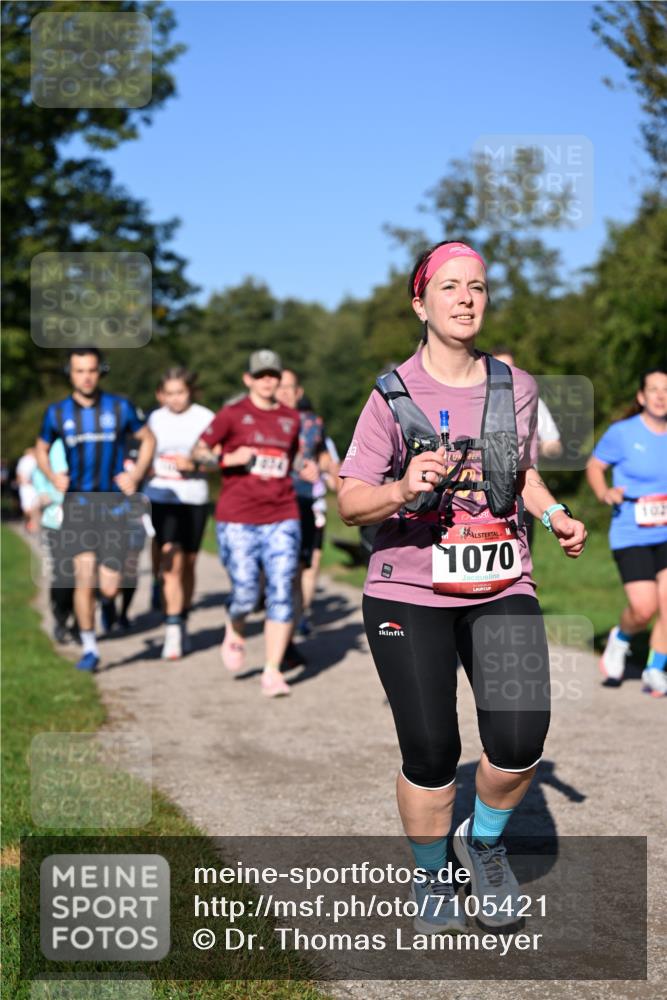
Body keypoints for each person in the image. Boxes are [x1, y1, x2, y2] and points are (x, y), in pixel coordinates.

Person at [338, 241, 586, 935]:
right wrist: (401, 486)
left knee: (517, 738)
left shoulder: (515, 385)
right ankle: (428, 871)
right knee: (430, 750)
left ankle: (481, 844)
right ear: (420, 302)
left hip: (502, 580)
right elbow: (351, 503)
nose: (466, 298)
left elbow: (522, 472)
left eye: (476, 285)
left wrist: (554, 513)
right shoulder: (391, 393)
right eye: (449, 287)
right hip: (406, 590)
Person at [35, 348, 155, 672]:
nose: (86, 376)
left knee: (110, 587)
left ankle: (107, 606)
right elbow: (41, 448)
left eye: (91, 370)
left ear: (100, 371)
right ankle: (90, 648)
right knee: (83, 579)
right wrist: (52, 475)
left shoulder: (120, 407)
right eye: (79, 370)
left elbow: (148, 439)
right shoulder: (57, 413)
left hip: (113, 505)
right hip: (78, 505)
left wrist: (136, 474)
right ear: (70, 373)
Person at [193, 349, 303, 697]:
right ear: (248, 379)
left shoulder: (291, 418)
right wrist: (227, 457)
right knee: (244, 592)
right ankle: (236, 624)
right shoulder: (231, 415)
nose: (267, 380)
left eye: (273, 374)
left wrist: (308, 468)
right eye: (260, 375)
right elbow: (197, 454)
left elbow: (293, 459)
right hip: (238, 517)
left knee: (282, 590)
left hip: (282, 514)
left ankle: (271, 671)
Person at [587, 368, 667, 697]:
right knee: (644, 608)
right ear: (641, 397)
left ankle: (654, 668)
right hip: (631, 532)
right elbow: (595, 466)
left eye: (666, 389)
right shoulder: (622, 433)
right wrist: (604, 493)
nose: (661, 395)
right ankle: (621, 639)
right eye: (654, 390)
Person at [144, 367, 216, 660]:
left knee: (189, 563)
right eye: (170, 393)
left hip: (194, 497)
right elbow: (142, 452)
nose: (175, 399)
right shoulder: (154, 419)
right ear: (161, 394)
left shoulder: (205, 417)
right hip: (160, 495)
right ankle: (172, 629)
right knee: (171, 560)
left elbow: (216, 460)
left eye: (181, 393)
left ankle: (182, 618)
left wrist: (197, 464)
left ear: (190, 392)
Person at [275, 371, 331, 636]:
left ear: (299, 392)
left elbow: (322, 456)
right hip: (272, 501)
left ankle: (298, 618)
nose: (285, 392)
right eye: (280, 387)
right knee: (280, 567)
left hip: (306, 500)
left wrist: (321, 469)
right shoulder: (265, 420)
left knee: (304, 565)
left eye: (290, 387)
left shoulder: (313, 422)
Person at [492, 348, 563, 549]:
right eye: (499, 367)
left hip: (524, 492)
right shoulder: (475, 399)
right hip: (483, 497)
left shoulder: (532, 402)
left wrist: (532, 449)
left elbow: (554, 444)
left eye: (510, 367)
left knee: (522, 558)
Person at [31, 439, 78, 645]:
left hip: (87, 517)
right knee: (63, 574)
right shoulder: (54, 444)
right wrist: (45, 492)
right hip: (56, 520)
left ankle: (80, 623)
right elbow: (39, 473)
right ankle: (61, 618)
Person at [16, 446, 40, 533]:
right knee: (27, 509)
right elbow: (19, 474)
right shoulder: (24, 460)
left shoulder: (37, 460)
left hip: (34, 487)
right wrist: (22, 482)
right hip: (26, 487)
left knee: (35, 506)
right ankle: (29, 522)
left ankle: (33, 524)